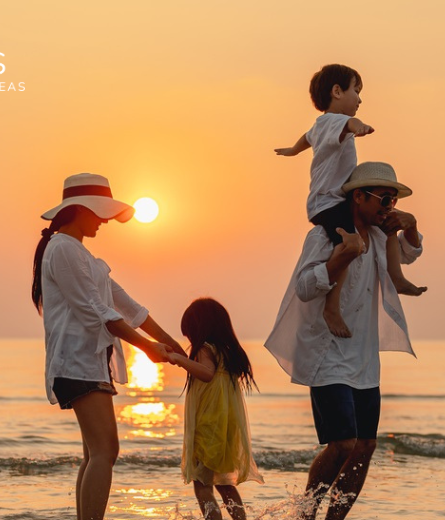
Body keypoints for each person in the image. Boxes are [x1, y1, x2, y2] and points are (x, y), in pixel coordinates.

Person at [264, 162, 424, 520]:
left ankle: (335, 518)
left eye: (394, 201)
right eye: (384, 199)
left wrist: (410, 225)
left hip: (365, 357)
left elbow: (411, 254)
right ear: (359, 196)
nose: (389, 207)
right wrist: (340, 257)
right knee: (342, 443)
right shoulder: (324, 236)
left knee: (366, 445)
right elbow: (305, 288)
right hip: (327, 353)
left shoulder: (383, 237)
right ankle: (306, 513)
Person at [31, 172, 186, 520]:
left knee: (95, 454)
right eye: (99, 213)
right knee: (105, 451)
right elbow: (97, 313)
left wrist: (169, 342)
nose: (104, 221)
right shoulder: (63, 249)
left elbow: (128, 306)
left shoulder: (84, 257)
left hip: (91, 363)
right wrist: (147, 348)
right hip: (76, 363)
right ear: (81, 208)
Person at [274, 64, 426, 338]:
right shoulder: (333, 122)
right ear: (336, 91)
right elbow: (349, 124)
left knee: (389, 225)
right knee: (349, 245)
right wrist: (360, 127)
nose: (359, 98)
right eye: (356, 90)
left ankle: (397, 278)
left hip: (333, 201)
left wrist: (293, 150)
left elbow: (305, 139)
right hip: (328, 203)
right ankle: (332, 307)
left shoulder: (320, 128)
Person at [167, 298, 264, 520]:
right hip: (225, 428)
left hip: (208, 426)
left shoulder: (205, 349)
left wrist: (178, 360)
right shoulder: (228, 352)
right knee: (225, 484)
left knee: (202, 484)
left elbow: (207, 374)